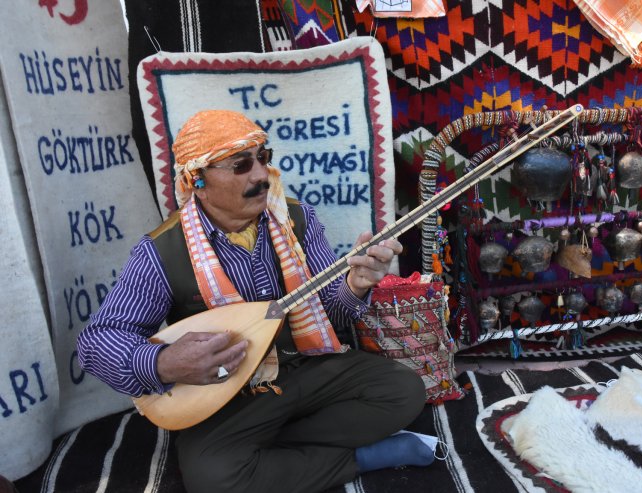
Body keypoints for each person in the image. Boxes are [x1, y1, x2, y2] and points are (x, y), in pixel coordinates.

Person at [77, 110, 434, 493]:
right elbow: (97, 341)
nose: (261, 175)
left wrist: (356, 285)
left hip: (310, 368)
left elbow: (332, 310)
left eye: (263, 158)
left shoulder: (296, 219)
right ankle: (360, 457)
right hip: (233, 394)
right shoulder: (162, 251)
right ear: (196, 180)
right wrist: (164, 362)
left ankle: (262, 449)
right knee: (213, 478)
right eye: (241, 165)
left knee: (404, 391)